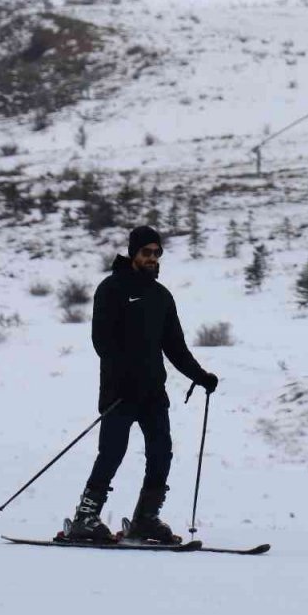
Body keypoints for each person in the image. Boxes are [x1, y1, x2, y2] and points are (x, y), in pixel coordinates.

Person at [64, 226, 219, 544]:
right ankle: (85, 518)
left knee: (161, 453)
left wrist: (200, 376)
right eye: (146, 252)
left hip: (153, 393)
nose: (152, 258)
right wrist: (123, 377)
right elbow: (102, 342)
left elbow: (175, 347)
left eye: (157, 253)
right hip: (120, 391)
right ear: (133, 253)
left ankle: (145, 519)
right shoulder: (111, 288)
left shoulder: (161, 296)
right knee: (112, 452)